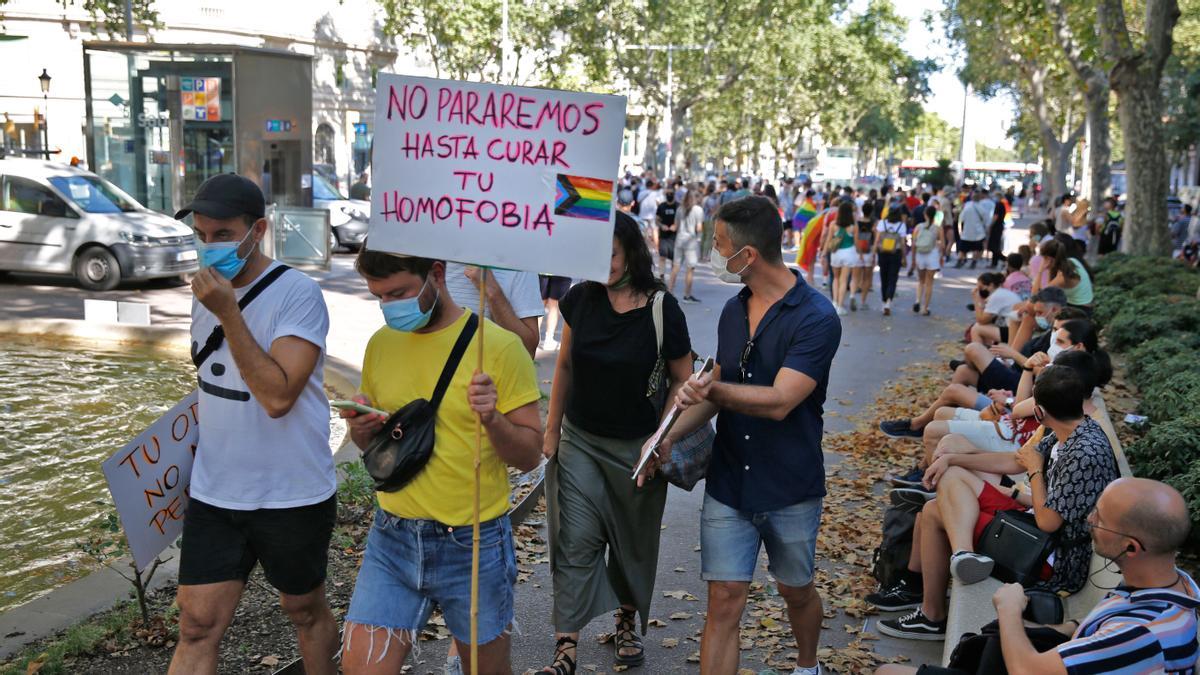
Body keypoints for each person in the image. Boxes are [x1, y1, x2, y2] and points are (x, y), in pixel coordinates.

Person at [642, 196, 841, 675]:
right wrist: (664, 435)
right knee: (724, 601)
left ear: (747, 255)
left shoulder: (816, 317)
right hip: (730, 482)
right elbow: (715, 393)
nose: (714, 252)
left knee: (796, 591)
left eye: (720, 245)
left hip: (789, 485)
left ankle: (807, 664)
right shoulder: (734, 310)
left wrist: (712, 388)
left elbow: (778, 401)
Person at [339, 249, 542, 675]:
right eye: (379, 297)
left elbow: (528, 455)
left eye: (399, 292)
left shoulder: (501, 348)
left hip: (473, 543)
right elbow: (382, 446)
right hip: (392, 537)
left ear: (436, 273)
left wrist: (492, 420)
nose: (389, 306)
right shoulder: (381, 344)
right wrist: (361, 431)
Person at [169, 174, 338, 675]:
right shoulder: (208, 295)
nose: (209, 246)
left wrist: (229, 314)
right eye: (201, 234)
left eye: (222, 235)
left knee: (303, 610)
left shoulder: (299, 295)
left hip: (290, 494)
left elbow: (277, 396)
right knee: (197, 625)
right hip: (216, 493)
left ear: (257, 229)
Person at [539, 211, 694, 675]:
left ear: (631, 250)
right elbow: (564, 366)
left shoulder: (663, 308)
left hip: (638, 449)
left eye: (608, 254)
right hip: (581, 442)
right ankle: (565, 646)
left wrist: (659, 440)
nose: (601, 265)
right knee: (575, 541)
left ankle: (627, 620)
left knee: (631, 544)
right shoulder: (581, 299)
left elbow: (683, 382)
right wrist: (551, 430)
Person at [877, 363, 1119, 641]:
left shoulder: (1084, 452)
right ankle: (951, 568)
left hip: (1054, 560)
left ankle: (934, 612)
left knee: (934, 512)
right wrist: (951, 458)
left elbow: (1049, 522)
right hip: (1037, 527)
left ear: (1039, 411)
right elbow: (1015, 461)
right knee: (945, 488)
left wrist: (1035, 471)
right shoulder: (1069, 429)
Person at [874, 477, 1198, 675]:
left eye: (1100, 519)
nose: (1089, 519)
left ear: (1131, 547)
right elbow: (1097, 632)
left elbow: (1026, 670)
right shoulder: (1171, 584)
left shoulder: (1144, 634)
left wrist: (1010, 610)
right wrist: (1043, 629)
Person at [444, 264, 544, 358]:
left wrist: (492, 291)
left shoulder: (519, 260)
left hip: (492, 372)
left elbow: (528, 350)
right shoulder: (432, 254)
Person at [1041, 237, 1094, 312]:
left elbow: (1040, 296)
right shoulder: (1072, 260)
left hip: (1081, 310)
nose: (1042, 261)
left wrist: (1041, 270)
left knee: (1037, 308)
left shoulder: (1062, 277)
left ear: (1049, 259)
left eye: (1044, 258)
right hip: (1084, 305)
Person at [823, 200, 858, 316]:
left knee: (835, 278)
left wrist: (823, 252)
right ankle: (840, 306)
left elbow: (828, 240)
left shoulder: (833, 224)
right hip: (849, 253)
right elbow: (856, 243)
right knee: (844, 280)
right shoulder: (853, 226)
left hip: (836, 254)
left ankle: (834, 302)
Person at [968, 272, 1021, 346]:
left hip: (1012, 330)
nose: (979, 291)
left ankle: (978, 353)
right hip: (1013, 327)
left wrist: (977, 300)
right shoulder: (1001, 292)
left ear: (991, 285)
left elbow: (981, 320)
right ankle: (986, 351)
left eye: (980, 288)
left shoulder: (996, 296)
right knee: (985, 327)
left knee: (976, 328)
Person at [671, 185, 704, 303]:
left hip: (679, 239)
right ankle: (687, 294)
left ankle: (670, 292)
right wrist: (700, 239)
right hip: (691, 241)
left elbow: (676, 226)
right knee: (690, 269)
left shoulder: (680, 209)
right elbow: (699, 228)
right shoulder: (698, 210)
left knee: (675, 267)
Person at [912, 205, 944, 316]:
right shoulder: (938, 228)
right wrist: (941, 256)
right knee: (929, 283)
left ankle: (917, 300)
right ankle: (925, 307)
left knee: (921, 281)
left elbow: (913, 243)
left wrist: (912, 258)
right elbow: (942, 245)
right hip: (932, 255)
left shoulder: (918, 227)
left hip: (920, 255)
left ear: (925, 214)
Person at [875, 207, 907, 315]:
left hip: (883, 253)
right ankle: (889, 301)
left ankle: (884, 301)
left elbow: (877, 239)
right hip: (895, 254)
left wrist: (874, 252)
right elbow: (902, 243)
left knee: (883, 277)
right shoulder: (901, 225)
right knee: (893, 278)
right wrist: (904, 257)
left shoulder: (882, 223)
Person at [956, 190, 990, 269]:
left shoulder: (967, 207)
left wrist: (960, 229)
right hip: (978, 232)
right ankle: (973, 262)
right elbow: (986, 220)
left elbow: (961, 219)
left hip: (967, 232)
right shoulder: (982, 208)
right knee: (977, 249)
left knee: (963, 249)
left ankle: (960, 261)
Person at [540, 275, 572, 351]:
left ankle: (535, 337)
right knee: (554, 305)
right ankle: (548, 339)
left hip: (542, 269)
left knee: (540, 303)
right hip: (560, 270)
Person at [656, 188, 681, 283]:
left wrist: (676, 226)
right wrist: (661, 226)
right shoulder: (661, 206)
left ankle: (672, 279)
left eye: (671, 193)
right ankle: (661, 277)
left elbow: (682, 220)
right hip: (663, 236)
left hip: (675, 237)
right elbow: (657, 220)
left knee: (673, 260)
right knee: (662, 256)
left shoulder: (678, 206)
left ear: (674, 194)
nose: (669, 195)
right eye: (668, 193)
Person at [987, 189, 1007, 268]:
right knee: (995, 246)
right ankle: (994, 263)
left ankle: (1005, 259)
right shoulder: (1002, 204)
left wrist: (990, 225)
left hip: (996, 227)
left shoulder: (998, 204)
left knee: (994, 246)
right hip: (999, 226)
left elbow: (996, 216)